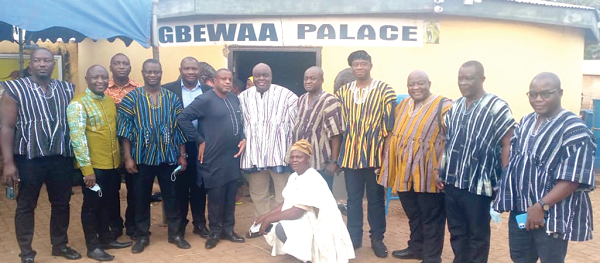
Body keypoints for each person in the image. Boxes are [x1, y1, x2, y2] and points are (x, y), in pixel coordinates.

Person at [493, 72, 596, 263]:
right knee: (520, 258)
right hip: (521, 212)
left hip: (551, 215)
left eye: (546, 94)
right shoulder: (525, 122)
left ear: (560, 93)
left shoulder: (574, 129)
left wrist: (542, 205)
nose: (538, 99)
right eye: (533, 94)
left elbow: (572, 178)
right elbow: (514, 158)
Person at [1, 47, 82, 262]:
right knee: (26, 205)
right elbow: (7, 127)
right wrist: (8, 163)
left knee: (62, 203)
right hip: (29, 159)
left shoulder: (67, 88)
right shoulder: (14, 89)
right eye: (37, 60)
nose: (43, 64)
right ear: (30, 64)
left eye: (47, 60)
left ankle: (60, 245)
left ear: (53, 64)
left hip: (61, 157)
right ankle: (26, 252)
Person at [436, 60, 515, 263]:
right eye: (460, 78)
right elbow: (448, 140)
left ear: (482, 79)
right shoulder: (455, 107)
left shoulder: (497, 106)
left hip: (479, 185)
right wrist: (439, 169)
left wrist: (506, 178)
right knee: (457, 231)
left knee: (477, 234)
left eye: (469, 78)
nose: (464, 83)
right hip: (453, 182)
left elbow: (508, 143)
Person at [117, 59, 189, 253]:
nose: (152, 75)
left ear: (161, 73)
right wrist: (128, 157)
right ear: (143, 72)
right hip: (142, 158)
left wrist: (182, 154)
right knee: (140, 198)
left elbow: (179, 128)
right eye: (149, 72)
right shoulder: (132, 98)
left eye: (156, 72)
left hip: (169, 157)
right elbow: (125, 130)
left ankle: (175, 234)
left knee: (172, 197)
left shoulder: (171, 98)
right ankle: (141, 236)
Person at [379, 70, 451, 263]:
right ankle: (416, 248)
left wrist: (441, 168)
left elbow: (451, 140)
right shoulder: (403, 105)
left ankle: (431, 257)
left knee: (432, 216)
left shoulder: (444, 106)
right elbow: (392, 134)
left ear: (429, 83)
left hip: (429, 172)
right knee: (414, 213)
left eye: (420, 83)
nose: (416, 87)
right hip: (404, 171)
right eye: (411, 84)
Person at [67, 65, 133, 261]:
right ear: (87, 78)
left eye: (104, 77)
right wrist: (87, 170)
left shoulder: (109, 102)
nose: (100, 81)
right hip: (93, 168)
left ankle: (106, 238)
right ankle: (93, 246)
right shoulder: (78, 104)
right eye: (95, 77)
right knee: (91, 207)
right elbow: (77, 139)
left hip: (112, 165)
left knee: (108, 203)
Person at [335, 50, 396, 258]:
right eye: (355, 64)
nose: (359, 67)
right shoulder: (343, 93)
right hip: (351, 156)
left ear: (370, 65)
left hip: (375, 157)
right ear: (351, 67)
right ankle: (354, 238)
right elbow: (340, 126)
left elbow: (390, 128)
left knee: (376, 200)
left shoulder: (385, 90)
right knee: (353, 200)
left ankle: (377, 239)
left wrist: (385, 158)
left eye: (363, 63)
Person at [178, 68, 247, 249]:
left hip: (232, 156)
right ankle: (215, 231)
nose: (227, 82)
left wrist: (242, 137)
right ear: (215, 81)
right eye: (223, 79)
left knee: (230, 195)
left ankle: (228, 230)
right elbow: (183, 118)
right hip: (212, 157)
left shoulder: (234, 99)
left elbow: (239, 123)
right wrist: (199, 139)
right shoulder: (205, 99)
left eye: (230, 79)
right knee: (216, 197)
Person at [259, 140, 355, 263]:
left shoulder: (312, 178)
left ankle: (307, 257)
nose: (294, 160)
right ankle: (303, 253)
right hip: (307, 217)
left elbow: (296, 212)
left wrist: (269, 219)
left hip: (320, 224)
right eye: (292, 157)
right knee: (276, 223)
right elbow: (288, 202)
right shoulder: (294, 176)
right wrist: (265, 216)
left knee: (281, 228)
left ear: (307, 159)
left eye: (299, 157)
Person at [238, 63, 298, 220]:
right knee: (258, 195)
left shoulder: (287, 96)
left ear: (271, 76)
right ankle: (261, 225)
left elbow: (296, 125)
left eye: (265, 75)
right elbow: (238, 124)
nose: (261, 78)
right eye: (257, 75)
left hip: (278, 154)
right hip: (254, 155)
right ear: (253, 76)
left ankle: (281, 226)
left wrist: (293, 151)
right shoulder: (243, 97)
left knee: (283, 195)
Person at [164, 57, 211, 239]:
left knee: (199, 187)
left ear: (199, 70)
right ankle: (179, 226)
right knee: (179, 188)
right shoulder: (169, 90)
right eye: (187, 68)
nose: (190, 72)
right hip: (178, 146)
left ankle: (199, 224)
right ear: (180, 70)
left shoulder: (208, 91)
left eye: (194, 68)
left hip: (201, 146)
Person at [105, 53, 142, 240]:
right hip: (108, 145)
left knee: (134, 188)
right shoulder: (102, 88)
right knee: (111, 189)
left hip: (133, 146)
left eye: (125, 63)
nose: (121, 66)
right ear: (111, 67)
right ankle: (115, 224)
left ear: (130, 67)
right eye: (117, 63)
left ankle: (132, 224)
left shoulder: (138, 89)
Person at [292, 66, 344, 192]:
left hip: (322, 163)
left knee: (322, 200)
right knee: (302, 198)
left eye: (313, 78)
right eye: (306, 79)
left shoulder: (330, 101)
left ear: (321, 80)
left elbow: (336, 135)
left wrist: (333, 162)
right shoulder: (301, 99)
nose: (308, 81)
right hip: (302, 161)